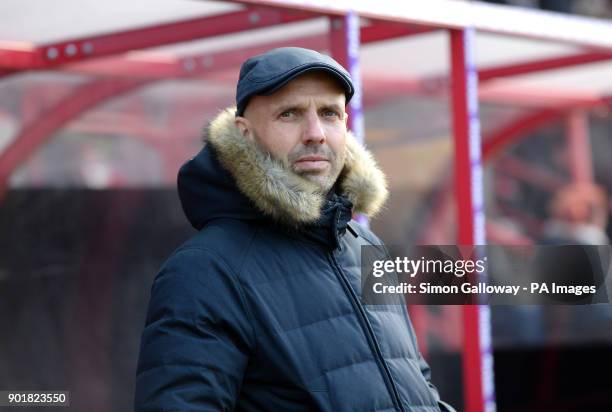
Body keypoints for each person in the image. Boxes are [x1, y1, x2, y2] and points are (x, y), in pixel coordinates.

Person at [134, 47, 455, 411]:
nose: (315, 133)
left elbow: (414, 379)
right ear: (246, 133)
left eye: (330, 114)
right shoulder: (204, 270)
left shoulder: (365, 244)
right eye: (289, 114)